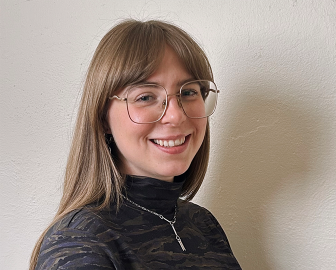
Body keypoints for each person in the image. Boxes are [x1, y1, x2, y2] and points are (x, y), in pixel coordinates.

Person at [30, 19, 241, 269]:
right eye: (145, 97)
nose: (175, 115)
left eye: (188, 92)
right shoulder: (79, 242)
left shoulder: (203, 223)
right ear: (103, 118)